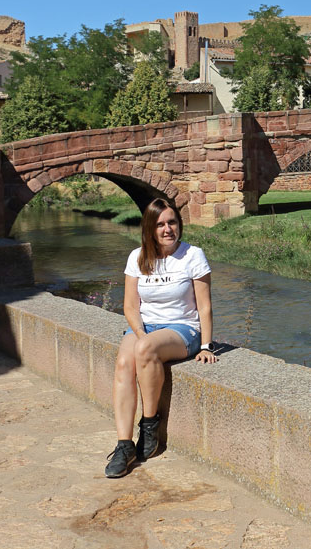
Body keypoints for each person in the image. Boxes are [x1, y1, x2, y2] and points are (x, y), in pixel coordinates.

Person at [105, 197, 218, 478]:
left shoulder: (193, 255)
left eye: (172, 222)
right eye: (160, 224)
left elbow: (204, 306)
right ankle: (124, 444)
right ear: (149, 229)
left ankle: (150, 425)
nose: (168, 229)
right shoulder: (137, 257)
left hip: (183, 330)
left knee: (144, 350)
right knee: (123, 363)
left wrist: (206, 345)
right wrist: (141, 333)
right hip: (146, 328)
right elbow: (130, 306)